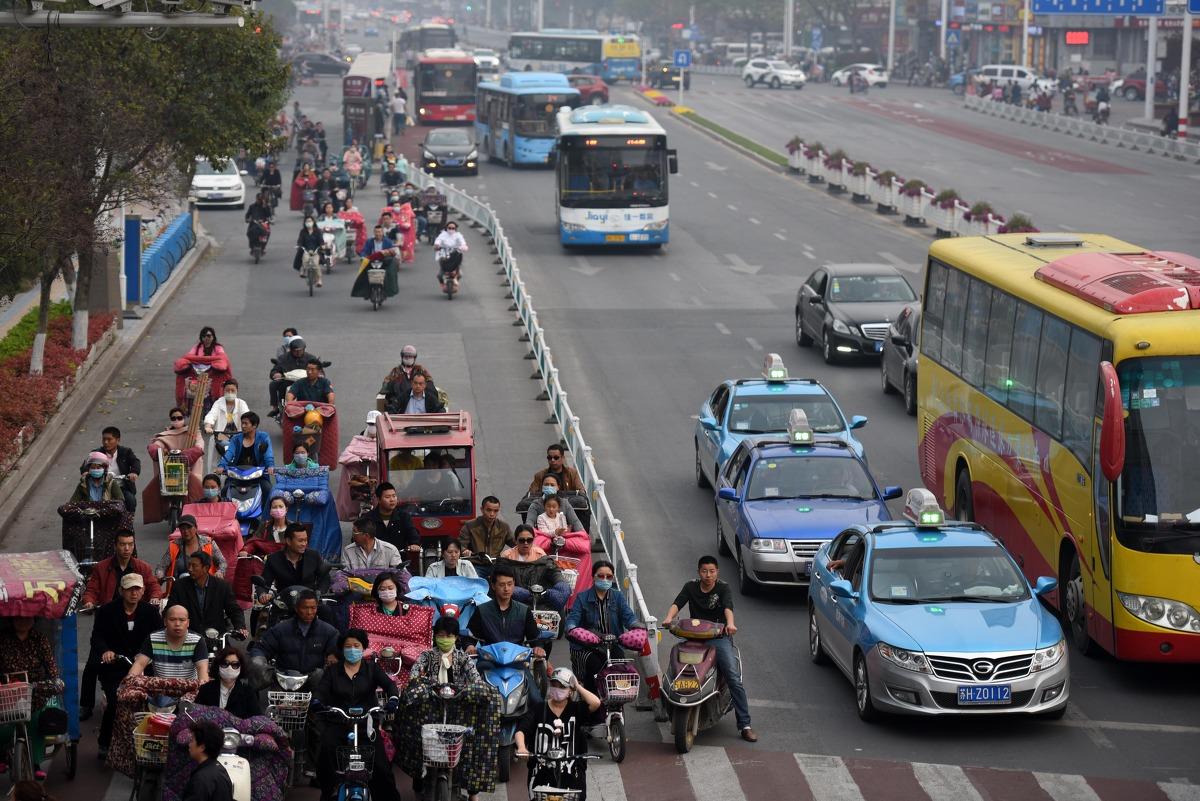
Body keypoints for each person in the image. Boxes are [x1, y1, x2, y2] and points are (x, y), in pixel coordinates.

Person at [661, 555, 756, 742]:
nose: (708, 575)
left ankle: (745, 724)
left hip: (718, 637)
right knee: (673, 670)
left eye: (712, 571)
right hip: (692, 636)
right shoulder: (690, 586)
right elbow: (678, 603)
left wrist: (730, 624)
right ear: (698, 572)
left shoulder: (723, 588)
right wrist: (668, 618)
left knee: (733, 677)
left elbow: (728, 607)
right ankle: (665, 707)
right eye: (704, 571)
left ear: (717, 572)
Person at [401, 616, 489, 801]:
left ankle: (473, 792)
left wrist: (472, 690)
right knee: (416, 736)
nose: (444, 638)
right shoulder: (427, 656)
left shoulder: (463, 658)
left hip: (458, 708)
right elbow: (414, 675)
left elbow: (476, 680)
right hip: (431, 708)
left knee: (474, 741)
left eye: (448, 635)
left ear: (456, 637)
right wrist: (425, 684)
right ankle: (419, 778)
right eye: (440, 635)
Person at [314, 630, 401, 801]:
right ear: (341, 649)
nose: (352, 649)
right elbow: (321, 691)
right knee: (325, 754)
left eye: (356, 646)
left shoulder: (372, 668)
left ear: (363, 648)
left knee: (382, 768)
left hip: (366, 726)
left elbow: (390, 685)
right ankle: (328, 792)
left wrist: (392, 699)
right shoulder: (332, 671)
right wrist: (317, 702)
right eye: (348, 646)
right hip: (338, 724)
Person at [91, 573, 161, 758]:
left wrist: (146, 654)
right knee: (116, 702)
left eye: (137, 589)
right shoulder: (106, 611)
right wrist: (106, 651)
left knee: (153, 704)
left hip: (144, 667)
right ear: (121, 591)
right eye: (130, 589)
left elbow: (158, 637)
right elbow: (97, 637)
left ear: (143, 591)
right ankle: (104, 741)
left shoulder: (151, 612)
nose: (134, 593)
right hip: (115, 668)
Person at [515, 667, 601, 800]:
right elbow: (521, 731)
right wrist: (521, 747)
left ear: (570, 691)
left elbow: (595, 702)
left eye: (562, 687)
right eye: (554, 685)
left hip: (572, 775)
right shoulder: (538, 708)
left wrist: (577, 686)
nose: (557, 689)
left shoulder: (576, 709)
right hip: (541, 775)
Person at [564, 560, 637, 716]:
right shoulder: (582, 598)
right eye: (601, 576)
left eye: (609, 577)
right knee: (595, 669)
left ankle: (617, 705)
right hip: (586, 647)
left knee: (621, 667)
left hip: (612, 645)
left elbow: (628, 616)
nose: (605, 579)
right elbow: (573, 618)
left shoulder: (617, 597)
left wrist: (637, 626)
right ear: (593, 577)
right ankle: (592, 709)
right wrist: (571, 628)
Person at [0, 618, 61, 778]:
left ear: (33, 620)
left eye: (27, 618)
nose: (22, 621)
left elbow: (51, 666)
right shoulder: (3, 638)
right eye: (18, 618)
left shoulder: (39, 639)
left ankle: (35, 763)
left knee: (35, 721)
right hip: (6, 691)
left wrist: (55, 680)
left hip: (33, 691)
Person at [249, 589, 339, 679]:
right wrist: (259, 660)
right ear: (296, 608)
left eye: (313, 608)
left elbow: (338, 648)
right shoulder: (281, 629)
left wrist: (334, 655)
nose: (309, 612)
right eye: (305, 608)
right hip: (284, 679)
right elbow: (261, 648)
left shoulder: (328, 631)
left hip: (314, 681)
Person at [167, 551, 246, 637]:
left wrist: (240, 627)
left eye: (194, 566)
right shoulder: (179, 586)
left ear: (206, 568)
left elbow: (234, 610)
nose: (190, 569)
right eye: (189, 565)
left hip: (215, 636)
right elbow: (170, 609)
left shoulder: (222, 587)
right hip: (187, 637)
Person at [471, 566, 542, 657]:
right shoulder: (482, 610)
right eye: (502, 585)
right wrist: (469, 645)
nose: (506, 589)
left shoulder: (524, 610)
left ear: (514, 584)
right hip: (489, 659)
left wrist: (538, 647)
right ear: (493, 586)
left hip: (517, 659)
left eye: (509, 584)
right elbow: (470, 634)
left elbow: (534, 637)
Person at [128, 605, 210, 682]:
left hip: (189, 690)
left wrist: (204, 691)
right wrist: (128, 683)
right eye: (172, 619)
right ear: (165, 621)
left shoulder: (197, 640)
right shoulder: (153, 638)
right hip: (161, 689)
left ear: (188, 623)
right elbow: (140, 664)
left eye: (182, 620)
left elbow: (202, 669)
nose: (177, 624)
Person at [216, 411, 274, 502]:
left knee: (268, 491)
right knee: (225, 491)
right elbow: (229, 453)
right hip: (237, 476)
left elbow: (268, 454)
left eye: (246, 423)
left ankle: (266, 515)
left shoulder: (263, 437)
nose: (243, 426)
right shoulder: (236, 439)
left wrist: (270, 465)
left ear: (254, 426)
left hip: (258, 476)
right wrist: (221, 465)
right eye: (242, 423)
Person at [156, 514, 229, 584]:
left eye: (189, 527)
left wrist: (220, 572)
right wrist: (159, 574)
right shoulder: (174, 545)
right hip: (179, 589)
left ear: (196, 528)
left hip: (205, 587)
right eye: (182, 528)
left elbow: (222, 562)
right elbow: (162, 566)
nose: (186, 531)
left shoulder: (209, 543)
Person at [196, 646, 262, 718]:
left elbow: (257, 721)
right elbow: (195, 716)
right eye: (225, 664)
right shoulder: (206, 689)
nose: (229, 668)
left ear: (241, 667)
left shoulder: (248, 692)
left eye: (235, 665)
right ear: (218, 666)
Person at [88, 426, 141, 513]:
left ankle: (129, 522)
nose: (106, 442)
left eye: (109, 439)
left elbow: (135, 462)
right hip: (102, 487)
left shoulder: (126, 452)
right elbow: (86, 464)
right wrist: (85, 471)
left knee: (130, 500)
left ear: (118, 440)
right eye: (104, 439)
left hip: (121, 487)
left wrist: (134, 472)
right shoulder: (97, 453)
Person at [361, 482, 421, 555]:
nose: (392, 499)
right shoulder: (367, 518)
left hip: (399, 560)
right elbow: (358, 538)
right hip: (374, 560)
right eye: (387, 497)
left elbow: (412, 533)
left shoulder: (404, 517)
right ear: (379, 499)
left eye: (394, 496)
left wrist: (414, 544)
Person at [182, 721, 234, 801]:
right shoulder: (219, 769)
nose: (189, 744)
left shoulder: (201, 779)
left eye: (192, 740)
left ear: (202, 747)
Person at [270, 336, 320, 417]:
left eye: (300, 350)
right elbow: (275, 370)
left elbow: (319, 368)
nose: (298, 352)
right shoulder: (283, 358)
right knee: (274, 384)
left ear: (304, 349)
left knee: (323, 386)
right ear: (291, 350)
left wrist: (321, 374)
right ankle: (278, 407)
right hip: (288, 381)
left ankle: (323, 407)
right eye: (296, 351)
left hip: (307, 381)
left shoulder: (311, 358)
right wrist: (275, 374)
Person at [458, 496, 513, 566]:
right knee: (474, 576)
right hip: (475, 564)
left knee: (508, 575)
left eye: (495, 511)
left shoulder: (504, 527)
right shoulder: (470, 526)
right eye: (489, 510)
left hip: (496, 564)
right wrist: (465, 551)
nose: (492, 514)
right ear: (482, 509)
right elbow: (460, 545)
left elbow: (515, 544)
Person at [203, 379, 250, 457]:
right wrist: (208, 426)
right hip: (221, 435)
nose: (230, 392)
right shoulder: (218, 403)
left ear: (237, 391)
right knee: (226, 447)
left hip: (238, 435)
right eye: (227, 390)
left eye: (232, 390)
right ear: (224, 391)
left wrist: (249, 425)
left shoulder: (241, 403)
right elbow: (211, 415)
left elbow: (247, 415)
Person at [433, 220, 467, 287]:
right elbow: (438, 240)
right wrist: (437, 245)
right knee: (439, 275)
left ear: (455, 229)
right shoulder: (443, 234)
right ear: (446, 228)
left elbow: (462, 241)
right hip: (444, 253)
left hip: (455, 254)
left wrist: (463, 246)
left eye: (453, 228)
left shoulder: (458, 235)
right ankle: (442, 283)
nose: (451, 229)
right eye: (449, 228)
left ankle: (455, 279)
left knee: (460, 274)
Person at [296, 215, 324, 286]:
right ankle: (303, 270)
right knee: (305, 259)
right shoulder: (303, 232)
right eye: (307, 221)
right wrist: (299, 246)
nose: (309, 223)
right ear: (305, 223)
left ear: (313, 222)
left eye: (310, 221)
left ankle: (319, 280)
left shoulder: (317, 231)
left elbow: (321, 240)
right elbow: (300, 241)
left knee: (316, 264)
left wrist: (322, 245)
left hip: (315, 251)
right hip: (306, 250)